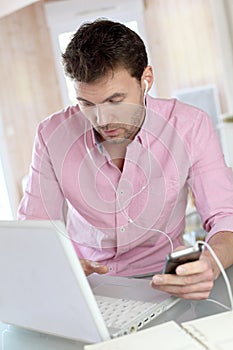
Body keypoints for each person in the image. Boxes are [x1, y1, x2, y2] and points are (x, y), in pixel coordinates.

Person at [18, 19, 233, 300]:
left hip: (166, 283)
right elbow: (34, 229)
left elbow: (225, 216)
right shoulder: (51, 135)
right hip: (88, 287)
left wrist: (211, 262)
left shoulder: (189, 126)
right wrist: (58, 265)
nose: (103, 120)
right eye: (87, 104)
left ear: (146, 80)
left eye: (115, 101)